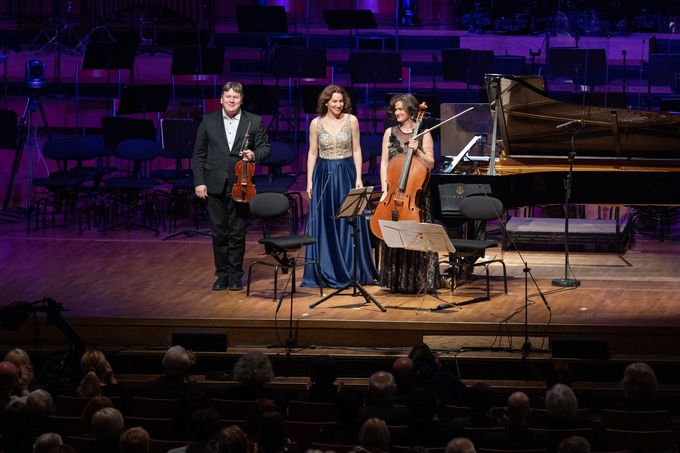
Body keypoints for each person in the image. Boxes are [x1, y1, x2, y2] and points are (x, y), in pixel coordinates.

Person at [193, 81, 272, 292]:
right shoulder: (208, 120)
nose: (231, 100)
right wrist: (199, 182)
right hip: (214, 184)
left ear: (241, 100)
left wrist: (254, 154)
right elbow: (199, 154)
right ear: (221, 99)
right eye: (228, 97)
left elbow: (265, 147)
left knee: (237, 233)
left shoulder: (253, 121)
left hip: (242, 184)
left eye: (235, 97)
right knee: (219, 233)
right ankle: (222, 275)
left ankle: (236, 275)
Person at [302, 84, 378, 288]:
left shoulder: (352, 120)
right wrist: (309, 180)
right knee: (325, 219)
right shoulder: (315, 123)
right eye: (334, 101)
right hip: (324, 173)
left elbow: (357, 149)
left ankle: (351, 269)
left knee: (348, 219)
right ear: (326, 102)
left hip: (346, 172)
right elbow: (312, 152)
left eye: (341, 101)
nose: (338, 105)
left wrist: (359, 177)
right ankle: (327, 269)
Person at [378, 93, 438, 293]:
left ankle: (419, 282)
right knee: (394, 234)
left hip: (416, 194)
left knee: (417, 236)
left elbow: (431, 163)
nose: (397, 113)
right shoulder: (389, 132)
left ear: (411, 110)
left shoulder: (424, 132)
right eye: (395, 109)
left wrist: (417, 151)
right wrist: (385, 190)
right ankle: (395, 281)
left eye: (401, 109)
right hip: (394, 192)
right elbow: (384, 163)